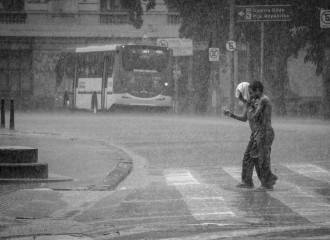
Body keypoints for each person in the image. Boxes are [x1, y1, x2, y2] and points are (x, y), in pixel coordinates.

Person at [224, 82, 262, 189]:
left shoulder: (256, 102)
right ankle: (247, 181)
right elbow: (244, 119)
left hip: (259, 134)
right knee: (248, 156)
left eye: (241, 96)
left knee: (254, 157)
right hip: (254, 134)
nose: (241, 99)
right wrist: (231, 115)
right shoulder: (249, 104)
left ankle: (264, 181)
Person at [249, 80, 277, 192]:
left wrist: (252, 108)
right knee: (261, 157)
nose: (252, 95)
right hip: (265, 132)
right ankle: (269, 180)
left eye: (252, 92)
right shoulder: (264, 99)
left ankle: (266, 184)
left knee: (263, 159)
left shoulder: (263, 100)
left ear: (257, 90)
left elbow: (255, 116)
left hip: (265, 133)